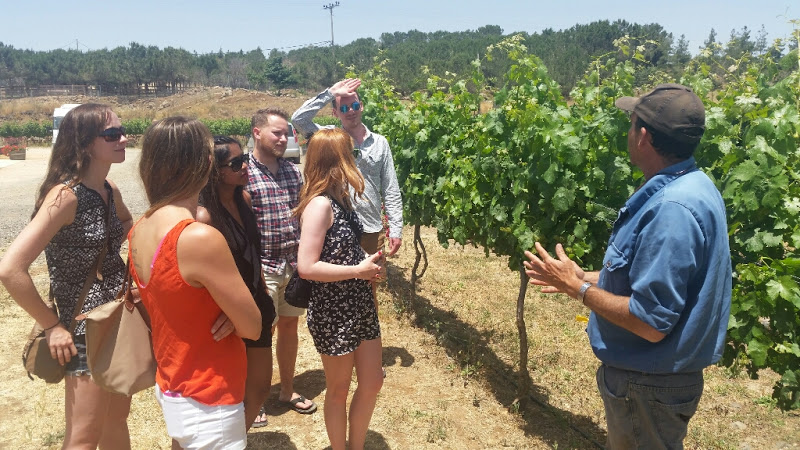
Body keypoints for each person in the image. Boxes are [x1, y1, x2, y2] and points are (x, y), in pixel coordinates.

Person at [523, 83, 732, 448]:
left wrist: (579, 290)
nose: (628, 131)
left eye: (631, 123)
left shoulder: (672, 211)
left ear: (644, 137)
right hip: (654, 383)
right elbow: (648, 278)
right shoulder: (694, 186)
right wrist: (581, 275)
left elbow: (649, 323)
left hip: (648, 386)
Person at [0, 103, 134, 449]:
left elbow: (128, 225)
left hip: (118, 321)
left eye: (122, 131)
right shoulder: (64, 197)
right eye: (112, 134)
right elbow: (10, 269)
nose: (124, 138)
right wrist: (51, 325)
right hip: (83, 329)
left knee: (116, 422)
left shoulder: (109, 189)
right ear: (86, 143)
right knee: (83, 436)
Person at [130, 117, 262, 449]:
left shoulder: (140, 228)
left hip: (173, 383)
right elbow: (253, 326)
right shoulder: (197, 237)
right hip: (210, 393)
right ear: (204, 163)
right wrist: (234, 316)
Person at [296, 128, 384, 450]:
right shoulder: (320, 205)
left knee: (373, 381)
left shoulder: (342, 199)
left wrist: (367, 262)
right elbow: (306, 266)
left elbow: (341, 249)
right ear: (337, 159)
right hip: (333, 311)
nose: (356, 159)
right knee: (338, 390)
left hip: (358, 303)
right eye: (351, 153)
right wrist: (356, 270)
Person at [292, 78, 403, 309]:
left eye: (353, 106)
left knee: (369, 289)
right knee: (339, 289)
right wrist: (331, 92)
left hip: (371, 229)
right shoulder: (330, 139)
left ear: (361, 106)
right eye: (343, 108)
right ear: (335, 112)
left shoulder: (380, 143)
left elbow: (390, 187)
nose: (349, 111)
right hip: (338, 228)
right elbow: (298, 119)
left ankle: (368, 339)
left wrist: (397, 228)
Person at [197, 135, 278, 430]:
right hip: (225, 313)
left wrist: (264, 293)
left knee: (260, 388)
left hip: (255, 302)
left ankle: (237, 439)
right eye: (236, 163)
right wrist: (231, 312)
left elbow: (252, 250)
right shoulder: (204, 216)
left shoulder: (244, 199)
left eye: (243, 158)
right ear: (216, 172)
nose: (245, 166)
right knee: (228, 393)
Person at [245, 108, 317, 422]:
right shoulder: (242, 171)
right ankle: (254, 400)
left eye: (286, 133)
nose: (284, 138)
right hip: (263, 267)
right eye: (277, 132)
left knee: (289, 328)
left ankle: (286, 390)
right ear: (257, 132)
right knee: (260, 335)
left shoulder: (291, 171)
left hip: (293, 264)